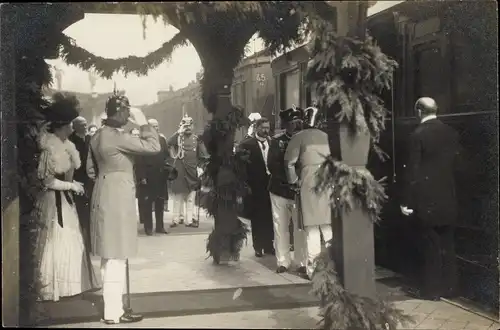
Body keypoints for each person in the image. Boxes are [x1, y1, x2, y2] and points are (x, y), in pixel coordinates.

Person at [87, 94, 161, 324]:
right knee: (117, 257)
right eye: (126, 112)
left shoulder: (97, 136)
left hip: (102, 191)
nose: (128, 116)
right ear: (119, 113)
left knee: (110, 257)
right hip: (118, 197)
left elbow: (91, 171)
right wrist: (143, 123)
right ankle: (114, 313)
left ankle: (114, 308)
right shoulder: (117, 137)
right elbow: (154, 146)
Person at [34, 92, 100, 302]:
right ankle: (53, 287)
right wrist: (70, 185)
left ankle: (69, 286)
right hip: (53, 202)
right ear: (62, 127)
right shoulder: (49, 148)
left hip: (65, 201)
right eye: (69, 126)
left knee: (71, 239)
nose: (72, 128)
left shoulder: (66, 146)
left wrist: (72, 186)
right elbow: (47, 181)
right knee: (56, 239)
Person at [400, 97, 460, 301]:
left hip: (426, 200)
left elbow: (413, 172)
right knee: (447, 244)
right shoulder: (451, 132)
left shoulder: (417, 135)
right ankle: (451, 289)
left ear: (419, 111)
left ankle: (432, 291)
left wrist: (407, 201)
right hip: (448, 197)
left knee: (430, 246)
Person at [284, 106, 333, 280]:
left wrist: (293, 181)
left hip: (307, 183)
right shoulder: (327, 137)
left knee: (311, 229)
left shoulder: (298, 137)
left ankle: (313, 270)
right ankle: (331, 267)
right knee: (328, 227)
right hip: (327, 182)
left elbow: (289, 163)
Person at [268, 107, 308, 274]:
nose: (296, 125)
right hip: (280, 191)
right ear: (286, 125)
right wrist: (290, 181)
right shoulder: (278, 142)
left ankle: (302, 262)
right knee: (281, 226)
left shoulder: (306, 141)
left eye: (298, 122)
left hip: (300, 191)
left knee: (301, 229)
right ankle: (283, 261)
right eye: (292, 123)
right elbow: (273, 166)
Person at [240, 117, 275, 257]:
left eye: (268, 127)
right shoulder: (247, 144)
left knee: (270, 215)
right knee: (257, 216)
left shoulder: (272, 142)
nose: (266, 130)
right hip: (255, 184)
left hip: (271, 184)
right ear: (256, 128)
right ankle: (258, 246)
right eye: (263, 128)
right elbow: (243, 167)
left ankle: (268, 245)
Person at [167, 114, 209, 228]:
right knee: (178, 197)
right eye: (185, 125)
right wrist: (178, 132)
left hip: (192, 171)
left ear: (193, 126)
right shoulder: (178, 138)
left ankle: (189, 220)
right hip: (180, 171)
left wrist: (201, 168)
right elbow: (169, 142)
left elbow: (203, 156)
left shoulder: (197, 140)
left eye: (189, 125)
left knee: (191, 198)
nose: (188, 128)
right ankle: (175, 219)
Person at [135, 118, 169, 236]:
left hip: (160, 176)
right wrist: (142, 176)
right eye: (154, 126)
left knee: (160, 202)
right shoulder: (142, 141)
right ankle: (148, 228)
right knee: (147, 203)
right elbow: (139, 161)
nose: (156, 128)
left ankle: (160, 226)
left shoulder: (162, 140)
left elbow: (166, 156)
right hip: (148, 177)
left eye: (157, 126)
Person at [69, 116, 92, 250]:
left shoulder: (89, 139)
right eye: (82, 125)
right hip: (76, 179)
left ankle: (89, 243)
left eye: (85, 124)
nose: (85, 127)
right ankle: (80, 242)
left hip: (89, 179)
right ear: (75, 126)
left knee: (88, 212)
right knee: (78, 211)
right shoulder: (71, 140)